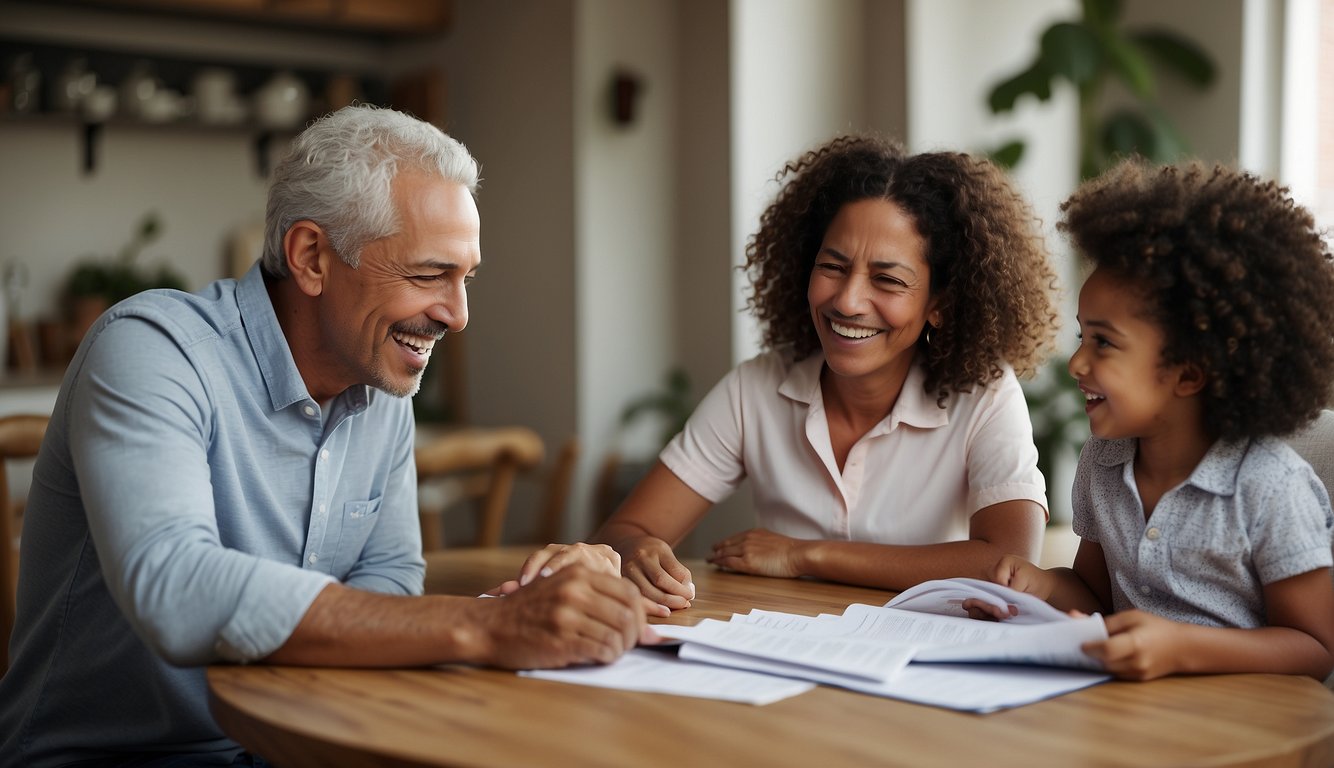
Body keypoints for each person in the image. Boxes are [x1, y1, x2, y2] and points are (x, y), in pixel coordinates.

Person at [0, 105, 648, 768]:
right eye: (429, 274)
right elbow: (174, 585)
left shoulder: (381, 380)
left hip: (291, 744)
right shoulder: (151, 349)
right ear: (311, 256)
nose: (457, 315)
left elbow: (390, 583)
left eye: (466, 278)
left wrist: (516, 606)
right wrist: (488, 626)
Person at [579, 135, 1061, 612]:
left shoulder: (984, 395)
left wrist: (802, 554)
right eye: (833, 266)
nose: (848, 301)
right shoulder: (756, 389)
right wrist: (636, 550)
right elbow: (624, 532)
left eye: (888, 280)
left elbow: (1009, 562)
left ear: (939, 303)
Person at [972, 159, 1334, 682]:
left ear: (1188, 373)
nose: (1076, 363)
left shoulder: (1270, 487)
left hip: (1242, 731)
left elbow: (1315, 647)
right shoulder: (1105, 459)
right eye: (1081, 337)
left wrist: (1182, 648)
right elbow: (1095, 595)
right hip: (1130, 716)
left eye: (1104, 343)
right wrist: (1040, 588)